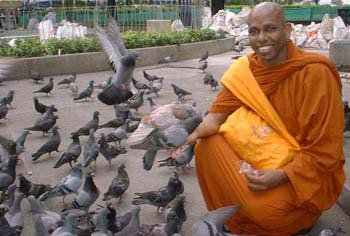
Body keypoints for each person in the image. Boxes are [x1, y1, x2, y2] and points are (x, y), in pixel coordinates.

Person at [173, 2, 345, 235]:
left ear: (288, 30)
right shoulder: (247, 69)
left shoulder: (315, 73)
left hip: (299, 173)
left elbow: (326, 150)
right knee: (205, 145)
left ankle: (290, 217)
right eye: (254, 31)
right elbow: (215, 118)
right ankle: (240, 212)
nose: (262, 38)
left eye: (270, 29)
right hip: (259, 155)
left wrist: (281, 175)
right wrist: (185, 138)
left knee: (269, 214)